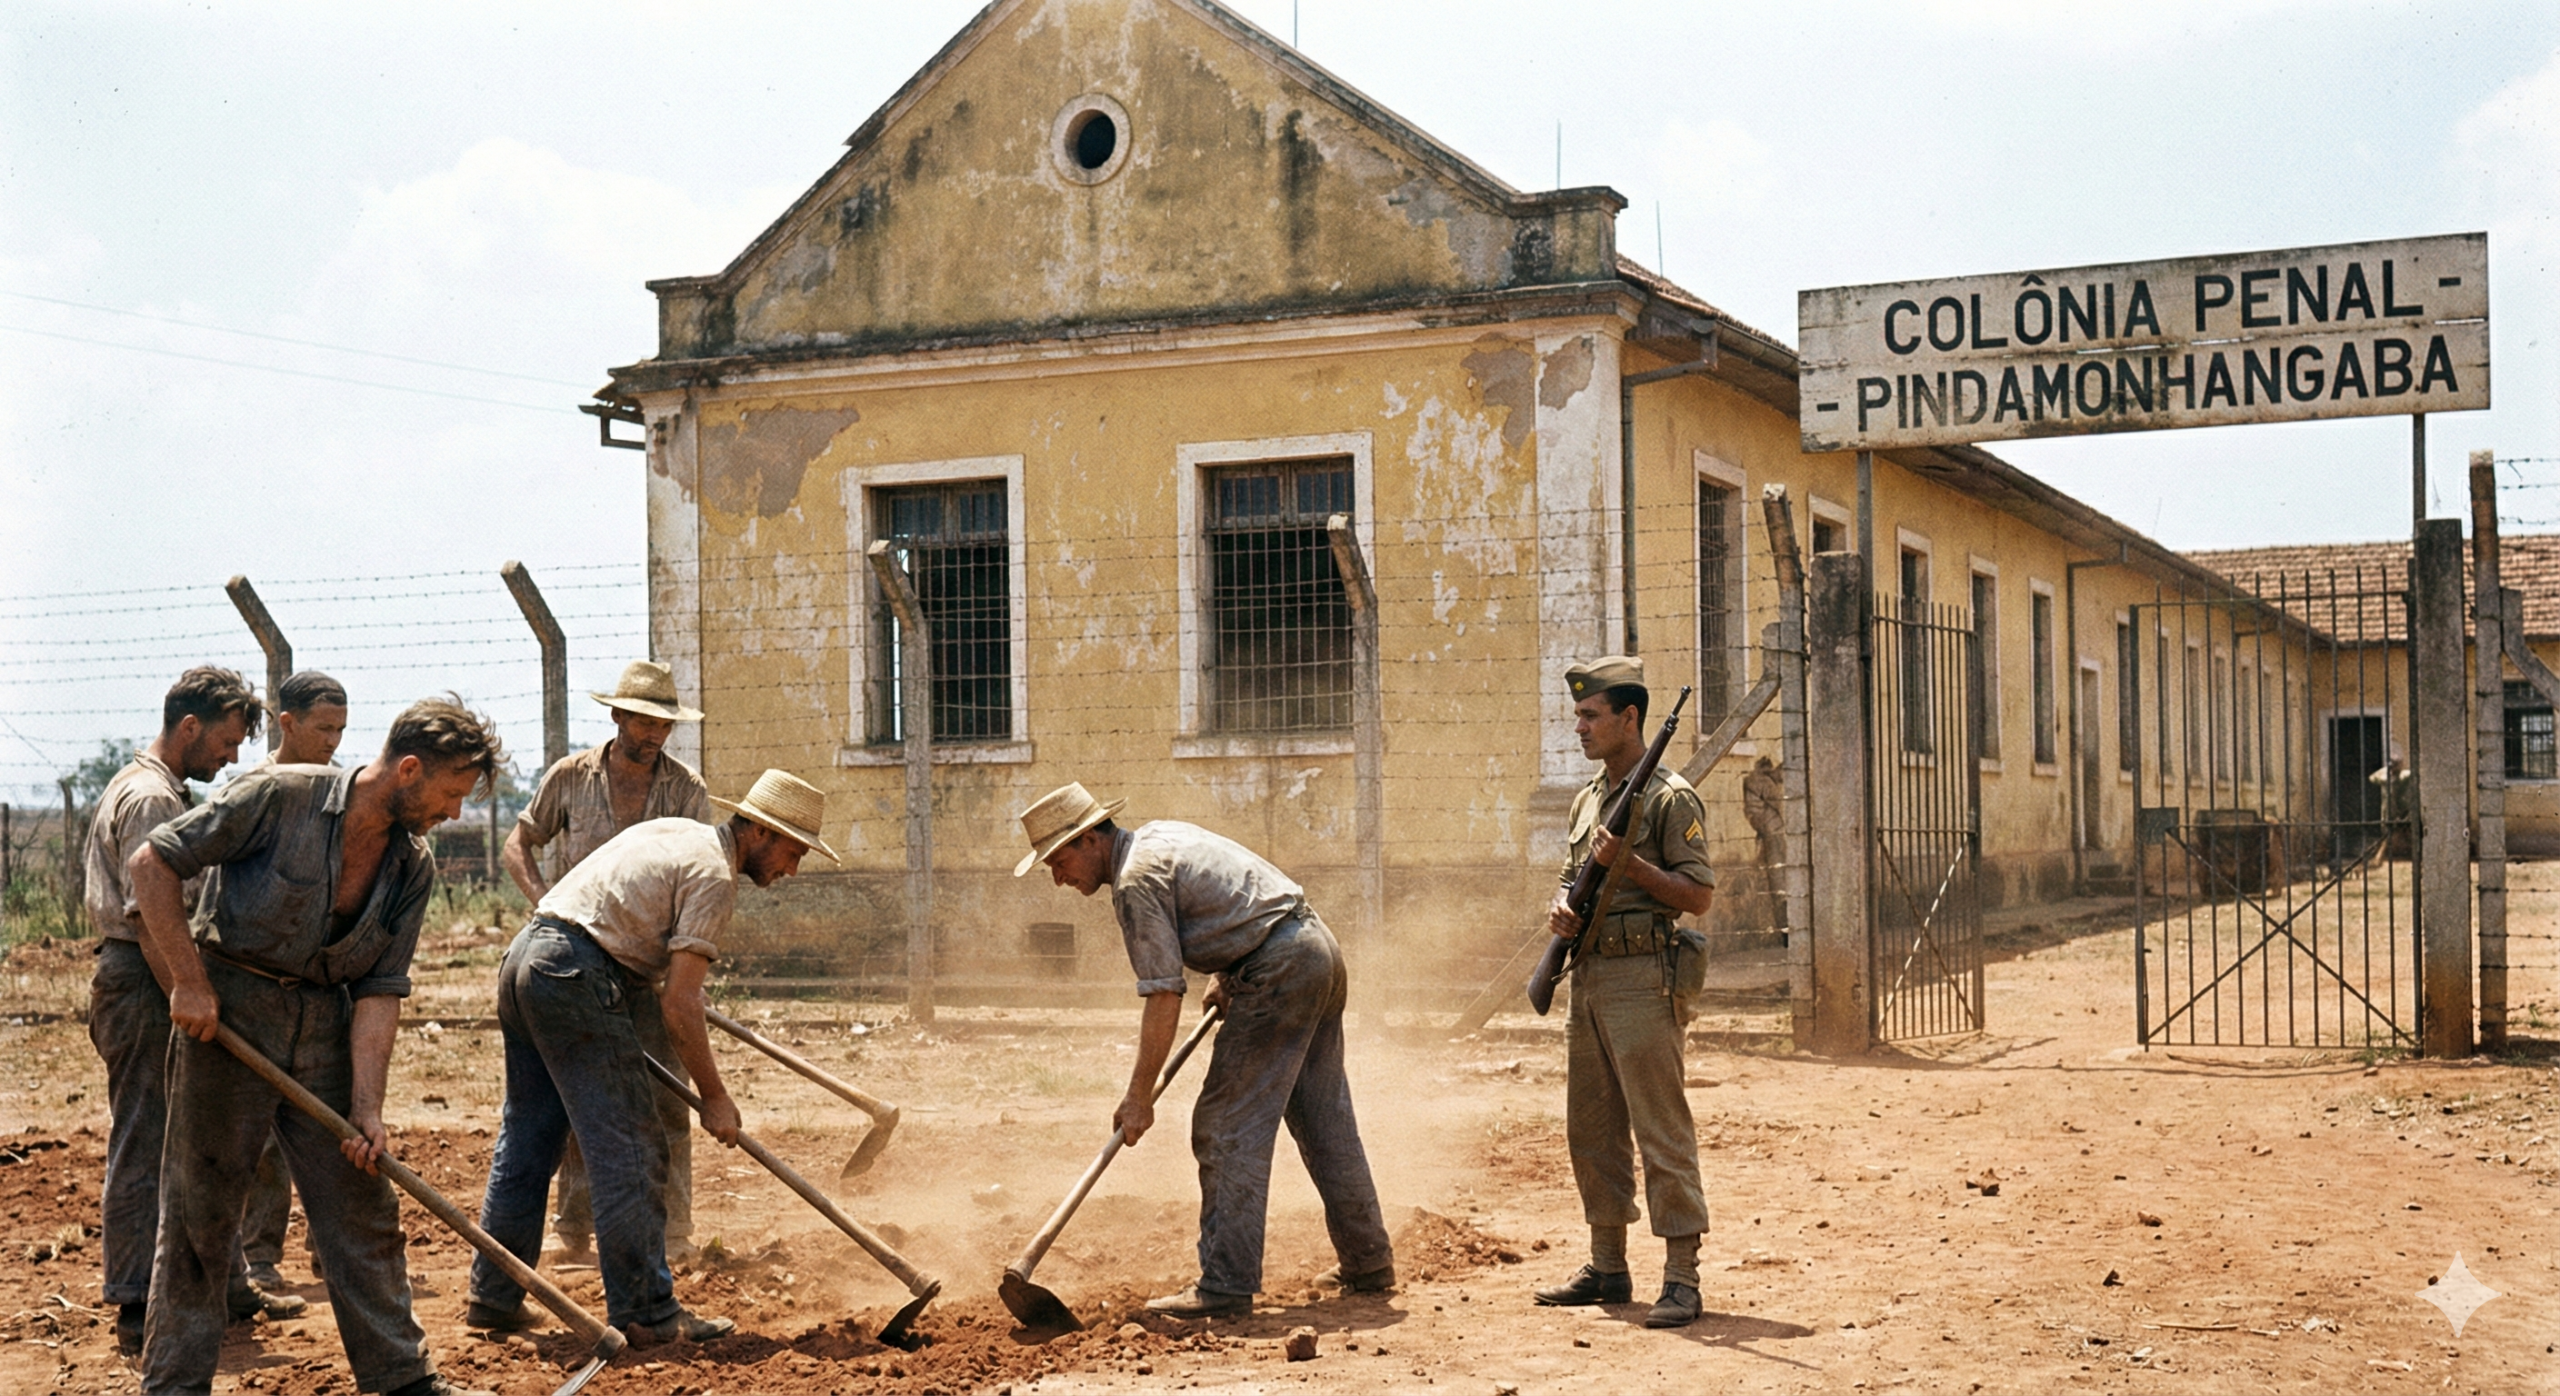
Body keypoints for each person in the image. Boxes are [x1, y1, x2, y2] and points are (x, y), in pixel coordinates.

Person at [128, 696, 505, 1396]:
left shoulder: (411, 867)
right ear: (410, 770)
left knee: (363, 1206)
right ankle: (174, 1386)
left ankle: (402, 1381)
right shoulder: (278, 797)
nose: (455, 813)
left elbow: (380, 990)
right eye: (452, 794)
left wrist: (368, 1108)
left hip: (327, 1025)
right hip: (231, 1019)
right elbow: (153, 864)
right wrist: (188, 982)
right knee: (200, 1216)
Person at [466, 769, 835, 1346]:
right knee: (633, 1146)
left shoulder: (678, 834)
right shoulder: (715, 876)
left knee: (530, 1138)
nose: (792, 869)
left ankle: (494, 1296)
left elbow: (635, 940)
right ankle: (647, 1313)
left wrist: (663, 989)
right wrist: (715, 1097)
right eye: (793, 852)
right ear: (761, 831)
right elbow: (679, 1005)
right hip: (575, 974)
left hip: (527, 961)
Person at [1019, 782, 1393, 1319]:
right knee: (1322, 1116)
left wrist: (1138, 1097)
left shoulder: (1134, 881)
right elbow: (1238, 897)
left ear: (1091, 839)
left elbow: (1163, 995)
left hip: (1280, 968)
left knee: (1224, 1124)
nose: (1058, 877)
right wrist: (1227, 971)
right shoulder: (1160, 838)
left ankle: (1224, 1284)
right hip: (1315, 949)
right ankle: (1368, 1261)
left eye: (1059, 861)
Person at [81, 667, 304, 1354]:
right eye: (226, 742)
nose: (231, 757)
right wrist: (188, 988)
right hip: (144, 978)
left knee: (201, 1135)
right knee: (147, 1138)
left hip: (159, 976)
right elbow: (148, 915)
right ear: (188, 728)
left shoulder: (161, 788)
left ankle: (227, 1285)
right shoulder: (151, 798)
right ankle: (136, 1302)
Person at [501, 659, 710, 1262]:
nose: (654, 735)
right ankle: (573, 1230)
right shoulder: (571, 777)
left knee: (667, 1096)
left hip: (649, 966)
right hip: (578, 963)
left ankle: (673, 1231)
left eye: (664, 725)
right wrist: (546, 905)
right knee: (580, 1095)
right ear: (617, 715)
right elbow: (520, 843)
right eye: (644, 722)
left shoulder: (685, 789)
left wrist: (679, 963)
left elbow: (696, 872)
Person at [1531, 655, 1716, 1329]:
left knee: (1660, 1128)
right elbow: (1571, 875)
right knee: (1593, 1128)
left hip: (1644, 977)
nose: (1580, 727)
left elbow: (1698, 895)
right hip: (1589, 975)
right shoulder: (1588, 798)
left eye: (1591, 715)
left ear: (1629, 718)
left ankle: (1682, 1278)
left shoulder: (1669, 797)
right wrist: (1561, 909)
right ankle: (1607, 1265)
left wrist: (1630, 863)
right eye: (1578, 715)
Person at [243, 670, 351, 1294]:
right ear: (287, 724)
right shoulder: (253, 790)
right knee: (261, 1132)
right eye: (323, 728)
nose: (334, 741)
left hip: (323, 977)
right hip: (261, 978)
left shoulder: (343, 791)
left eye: (341, 729)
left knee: (332, 1122)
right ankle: (258, 1256)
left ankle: (331, 1249)